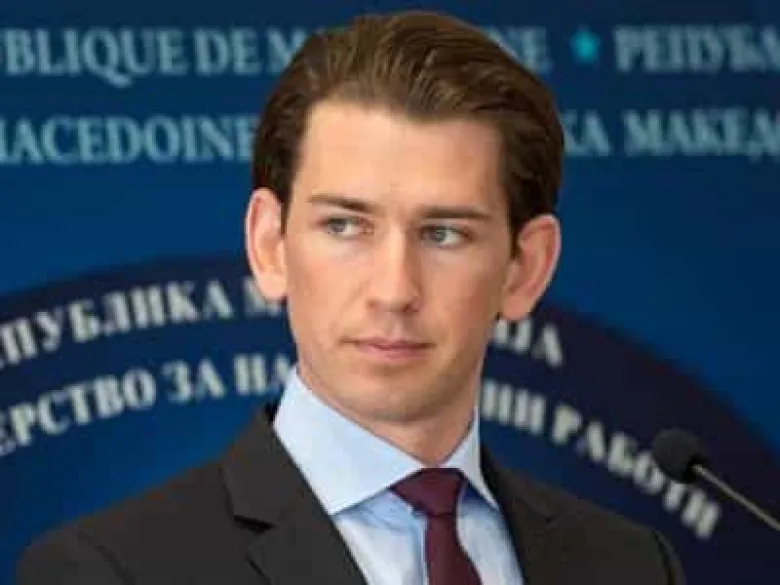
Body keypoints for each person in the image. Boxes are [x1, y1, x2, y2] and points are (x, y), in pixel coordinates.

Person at [16, 9, 685, 585]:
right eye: (344, 226)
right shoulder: (109, 571)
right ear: (270, 245)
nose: (394, 290)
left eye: (444, 233)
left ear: (524, 268)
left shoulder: (632, 565)